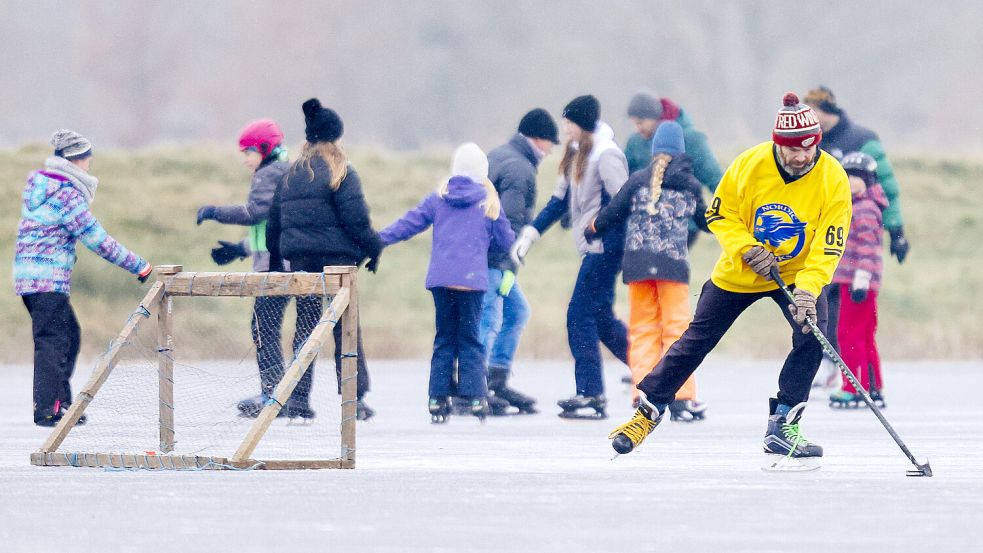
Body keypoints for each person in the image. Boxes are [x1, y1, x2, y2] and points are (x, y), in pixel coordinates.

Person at [607, 93, 851, 469]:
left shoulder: (833, 177)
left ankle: (783, 424)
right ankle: (649, 411)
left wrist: (808, 290)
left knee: (812, 333)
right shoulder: (750, 164)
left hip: (796, 273)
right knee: (696, 341)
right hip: (741, 271)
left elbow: (829, 244)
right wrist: (747, 248)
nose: (802, 157)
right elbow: (720, 215)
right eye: (793, 150)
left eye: (809, 148)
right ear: (778, 145)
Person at [14, 130, 153, 426]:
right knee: (54, 340)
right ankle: (49, 409)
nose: (90, 162)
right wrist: (140, 266)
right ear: (76, 159)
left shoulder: (44, 186)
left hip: (30, 278)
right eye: (87, 156)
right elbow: (97, 239)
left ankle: (60, 402)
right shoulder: (65, 194)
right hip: (47, 280)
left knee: (68, 336)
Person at [511, 95, 630, 420]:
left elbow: (623, 204)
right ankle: (654, 373)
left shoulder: (606, 155)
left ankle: (590, 395)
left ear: (583, 124)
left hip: (604, 249)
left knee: (578, 316)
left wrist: (605, 239)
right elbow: (557, 202)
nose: (564, 128)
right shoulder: (576, 154)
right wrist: (530, 234)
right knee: (603, 321)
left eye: (569, 122)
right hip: (592, 248)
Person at [379, 143, 515, 423]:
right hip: (472, 282)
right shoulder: (488, 202)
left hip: (441, 280)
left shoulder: (438, 198)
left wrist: (378, 239)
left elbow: (409, 223)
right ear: (482, 172)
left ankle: (437, 398)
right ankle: (476, 396)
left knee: (444, 338)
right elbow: (505, 241)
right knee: (470, 339)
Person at [266, 98, 382, 421]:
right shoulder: (341, 171)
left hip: (301, 260)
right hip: (338, 264)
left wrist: (277, 261)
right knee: (345, 326)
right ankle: (354, 398)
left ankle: (298, 399)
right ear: (335, 138)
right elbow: (356, 220)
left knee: (305, 327)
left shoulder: (290, 175)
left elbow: (274, 223)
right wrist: (374, 248)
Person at [586, 121, 709, 421]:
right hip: (673, 268)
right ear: (682, 151)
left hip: (638, 266)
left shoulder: (639, 180)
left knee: (642, 331)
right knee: (678, 331)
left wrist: (593, 228)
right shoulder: (690, 184)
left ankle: (642, 393)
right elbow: (708, 221)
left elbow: (612, 213)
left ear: (654, 150)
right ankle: (680, 397)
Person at [803, 86, 910, 388]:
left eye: (814, 114)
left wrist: (896, 230)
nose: (812, 121)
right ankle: (828, 362)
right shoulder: (812, 141)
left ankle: (850, 375)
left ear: (827, 110)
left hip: (855, 247)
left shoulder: (862, 140)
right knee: (821, 300)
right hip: (825, 232)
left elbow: (885, 185)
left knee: (848, 317)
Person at [195, 119, 292, 417]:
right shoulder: (285, 171)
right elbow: (272, 227)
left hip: (275, 268)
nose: (246, 159)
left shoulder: (268, 174)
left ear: (264, 149)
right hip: (283, 260)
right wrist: (241, 249)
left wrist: (214, 211)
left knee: (264, 327)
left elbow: (255, 212)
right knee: (267, 327)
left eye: (249, 152)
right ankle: (278, 392)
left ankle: (274, 395)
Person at [479, 108, 559, 416]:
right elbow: (509, 223)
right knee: (488, 320)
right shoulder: (519, 168)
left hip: (486, 255)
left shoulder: (500, 155)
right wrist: (508, 267)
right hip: (493, 259)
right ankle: (475, 387)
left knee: (517, 312)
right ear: (538, 140)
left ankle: (496, 379)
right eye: (551, 143)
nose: (552, 151)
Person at [828, 152, 888, 409]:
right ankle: (873, 387)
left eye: (857, 178)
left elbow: (868, 248)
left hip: (857, 283)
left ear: (868, 180)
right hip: (854, 282)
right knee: (863, 335)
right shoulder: (857, 205)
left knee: (848, 334)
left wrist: (861, 280)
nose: (851, 182)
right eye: (847, 177)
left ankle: (853, 387)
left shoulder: (863, 209)